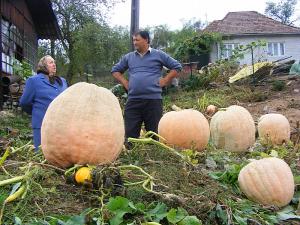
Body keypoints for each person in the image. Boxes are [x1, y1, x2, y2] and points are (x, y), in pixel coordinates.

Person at [111, 30, 182, 147]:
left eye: (137, 40)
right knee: (130, 135)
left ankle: (152, 159)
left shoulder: (159, 55)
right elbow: (115, 70)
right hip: (133, 100)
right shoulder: (129, 57)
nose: (134, 42)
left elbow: (177, 66)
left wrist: (165, 80)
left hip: (153, 100)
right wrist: (125, 82)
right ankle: (131, 156)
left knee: (154, 134)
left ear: (146, 40)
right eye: (133, 40)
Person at [19, 55, 68, 151]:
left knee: (60, 154)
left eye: (54, 62)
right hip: (41, 124)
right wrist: (37, 112)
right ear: (43, 66)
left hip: (61, 125)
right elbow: (24, 102)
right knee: (42, 154)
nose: (54, 65)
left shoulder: (62, 81)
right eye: (51, 62)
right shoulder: (34, 81)